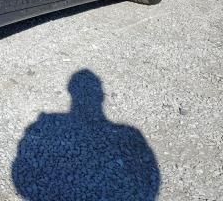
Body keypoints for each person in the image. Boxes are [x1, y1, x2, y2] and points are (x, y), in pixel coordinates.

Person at [11, 69, 160, 200]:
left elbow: (20, 173)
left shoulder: (45, 123)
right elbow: (151, 183)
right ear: (102, 95)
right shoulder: (130, 133)